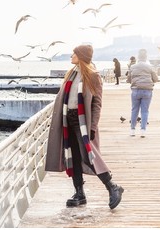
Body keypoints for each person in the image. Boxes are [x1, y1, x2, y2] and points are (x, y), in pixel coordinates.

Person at [45, 44, 124, 210]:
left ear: (81, 56)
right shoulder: (71, 74)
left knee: (90, 156)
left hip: (83, 123)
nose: (71, 56)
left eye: (74, 53)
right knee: (72, 157)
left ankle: (112, 187)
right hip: (69, 121)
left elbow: (97, 104)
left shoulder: (93, 76)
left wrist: (93, 127)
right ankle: (79, 193)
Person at [126, 49, 159, 138]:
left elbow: (128, 79)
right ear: (146, 57)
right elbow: (156, 79)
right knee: (145, 111)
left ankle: (132, 130)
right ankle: (143, 130)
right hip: (147, 91)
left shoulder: (132, 67)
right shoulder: (150, 67)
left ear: (138, 57)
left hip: (136, 90)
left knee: (134, 110)